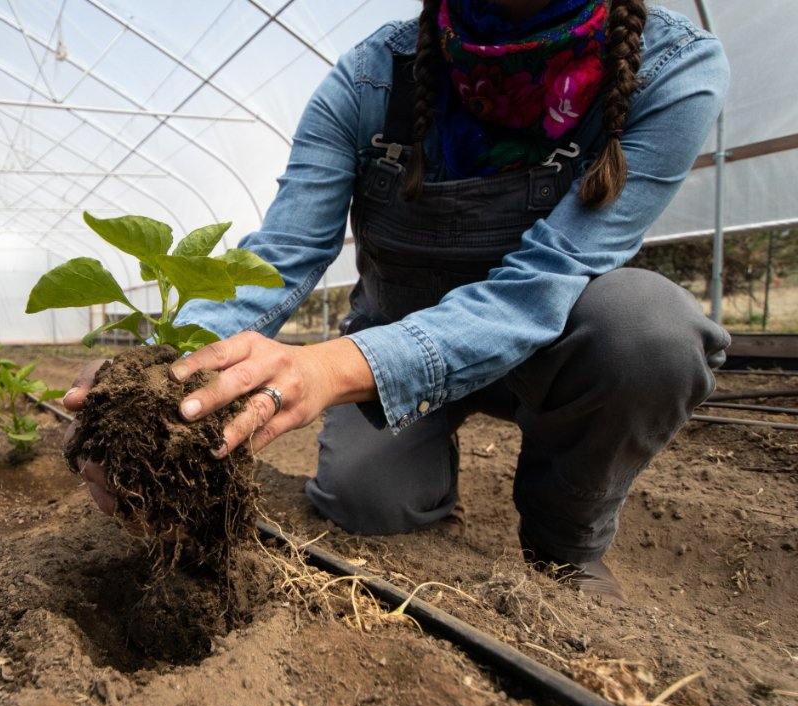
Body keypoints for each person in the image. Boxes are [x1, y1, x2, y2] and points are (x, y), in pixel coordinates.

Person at [63, 0, 731, 605]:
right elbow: (282, 253)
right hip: (390, 351)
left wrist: (327, 369)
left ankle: (566, 545)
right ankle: (423, 470)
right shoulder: (369, 80)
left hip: (549, 348)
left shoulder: (671, 70)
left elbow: (541, 282)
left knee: (650, 336)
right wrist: (161, 370)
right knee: (364, 499)